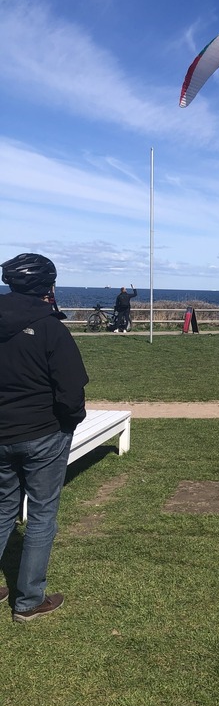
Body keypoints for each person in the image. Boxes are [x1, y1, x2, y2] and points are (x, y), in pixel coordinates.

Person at [0, 253, 88, 621]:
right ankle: (29, 601)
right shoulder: (51, 328)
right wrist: (70, 421)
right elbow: (71, 391)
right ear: (47, 287)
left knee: (2, 508)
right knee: (41, 514)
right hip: (43, 433)